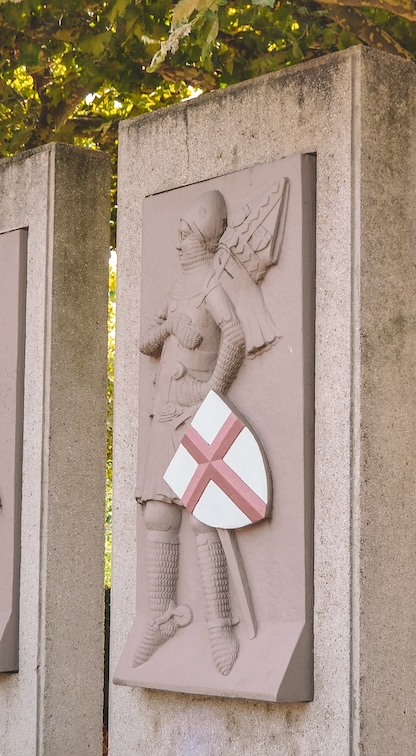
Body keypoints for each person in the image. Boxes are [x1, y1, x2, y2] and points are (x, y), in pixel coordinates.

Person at [132, 190, 246, 676]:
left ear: (202, 237)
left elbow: (235, 337)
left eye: (184, 234)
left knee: (203, 516)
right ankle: (160, 617)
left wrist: (213, 394)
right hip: (164, 411)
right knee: (160, 513)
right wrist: (172, 324)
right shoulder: (179, 288)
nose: (177, 243)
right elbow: (146, 341)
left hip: (196, 407)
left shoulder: (212, 285)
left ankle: (220, 623)